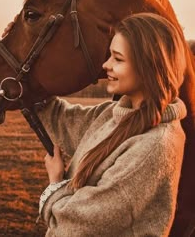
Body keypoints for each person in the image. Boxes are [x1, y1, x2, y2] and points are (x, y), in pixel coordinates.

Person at [34, 12, 187, 237]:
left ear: (149, 66)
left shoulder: (155, 146)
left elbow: (77, 225)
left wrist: (55, 184)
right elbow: (63, 120)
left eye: (118, 58)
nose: (106, 65)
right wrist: (28, 60)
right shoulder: (116, 114)